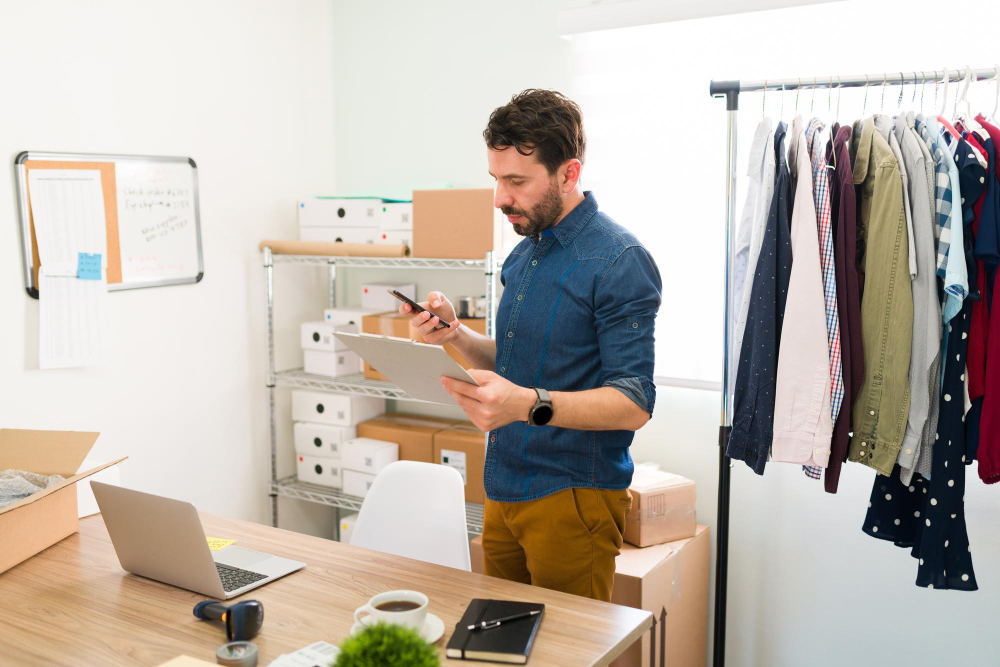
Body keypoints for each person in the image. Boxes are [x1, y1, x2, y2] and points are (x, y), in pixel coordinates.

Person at [400, 89, 661, 602]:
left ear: (569, 174)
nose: (500, 198)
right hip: (502, 485)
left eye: (516, 181)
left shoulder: (619, 260)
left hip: (572, 496)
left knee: (568, 653)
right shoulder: (526, 252)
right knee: (496, 646)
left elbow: (634, 402)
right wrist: (453, 334)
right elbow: (520, 362)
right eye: (496, 179)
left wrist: (525, 404)